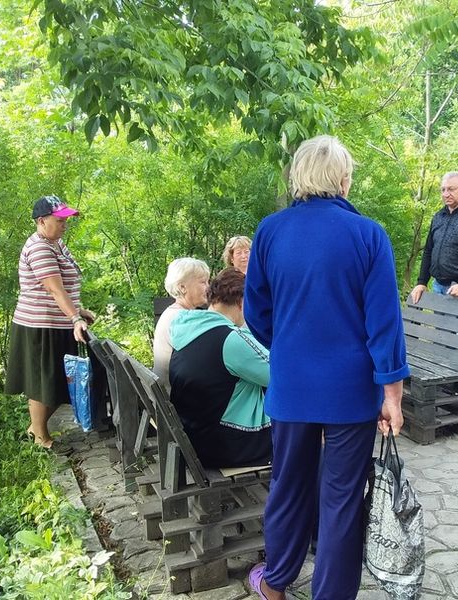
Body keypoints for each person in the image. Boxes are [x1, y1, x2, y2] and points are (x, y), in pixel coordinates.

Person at [244, 135, 409, 600]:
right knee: (340, 500)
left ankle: (275, 583)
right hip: (350, 393)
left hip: (292, 388)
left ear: (298, 177)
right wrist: (391, 395)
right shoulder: (367, 235)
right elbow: (384, 323)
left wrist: (292, 348)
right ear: (343, 179)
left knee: (288, 485)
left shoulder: (270, 232)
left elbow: (257, 311)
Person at [5, 195, 95, 449]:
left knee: (57, 379)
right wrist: (75, 317)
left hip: (58, 323)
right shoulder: (39, 247)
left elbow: (65, 288)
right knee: (44, 381)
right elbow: (54, 290)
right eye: (60, 219)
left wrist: (78, 309)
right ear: (42, 221)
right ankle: (41, 438)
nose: (65, 224)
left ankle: (36, 429)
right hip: (39, 326)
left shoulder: (57, 243)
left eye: (66, 219)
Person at [169, 268, 271, 467]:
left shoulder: (187, 327)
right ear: (243, 303)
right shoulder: (231, 340)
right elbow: (281, 376)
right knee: (303, 424)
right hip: (226, 446)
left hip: (195, 437)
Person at [410, 171, 458, 304]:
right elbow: (429, 250)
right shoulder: (439, 216)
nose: (446, 194)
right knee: (441, 325)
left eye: (451, 189)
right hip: (439, 286)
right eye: (443, 189)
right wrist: (422, 282)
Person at [152, 257, 210, 392]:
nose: (208, 287)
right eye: (203, 282)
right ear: (182, 287)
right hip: (177, 401)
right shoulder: (182, 319)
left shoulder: (173, 312)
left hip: (167, 396)